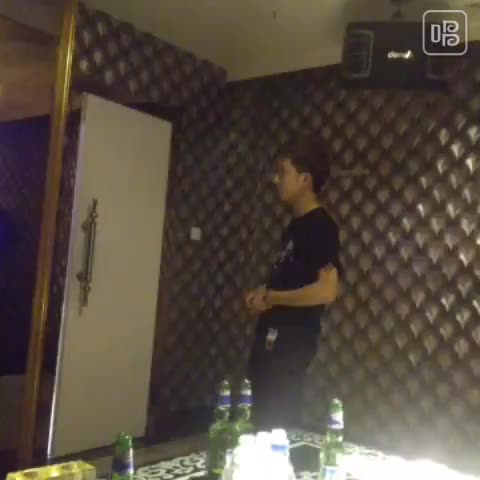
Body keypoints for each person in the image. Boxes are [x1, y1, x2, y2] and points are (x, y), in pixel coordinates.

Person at [245, 135, 341, 430]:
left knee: (276, 426)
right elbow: (291, 279)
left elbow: (327, 290)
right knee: (258, 422)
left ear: (305, 179)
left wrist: (272, 298)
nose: (276, 179)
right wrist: (263, 295)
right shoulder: (293, 228)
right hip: (271, 341)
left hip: (290, 348)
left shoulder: (321, 227)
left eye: (283, 172)